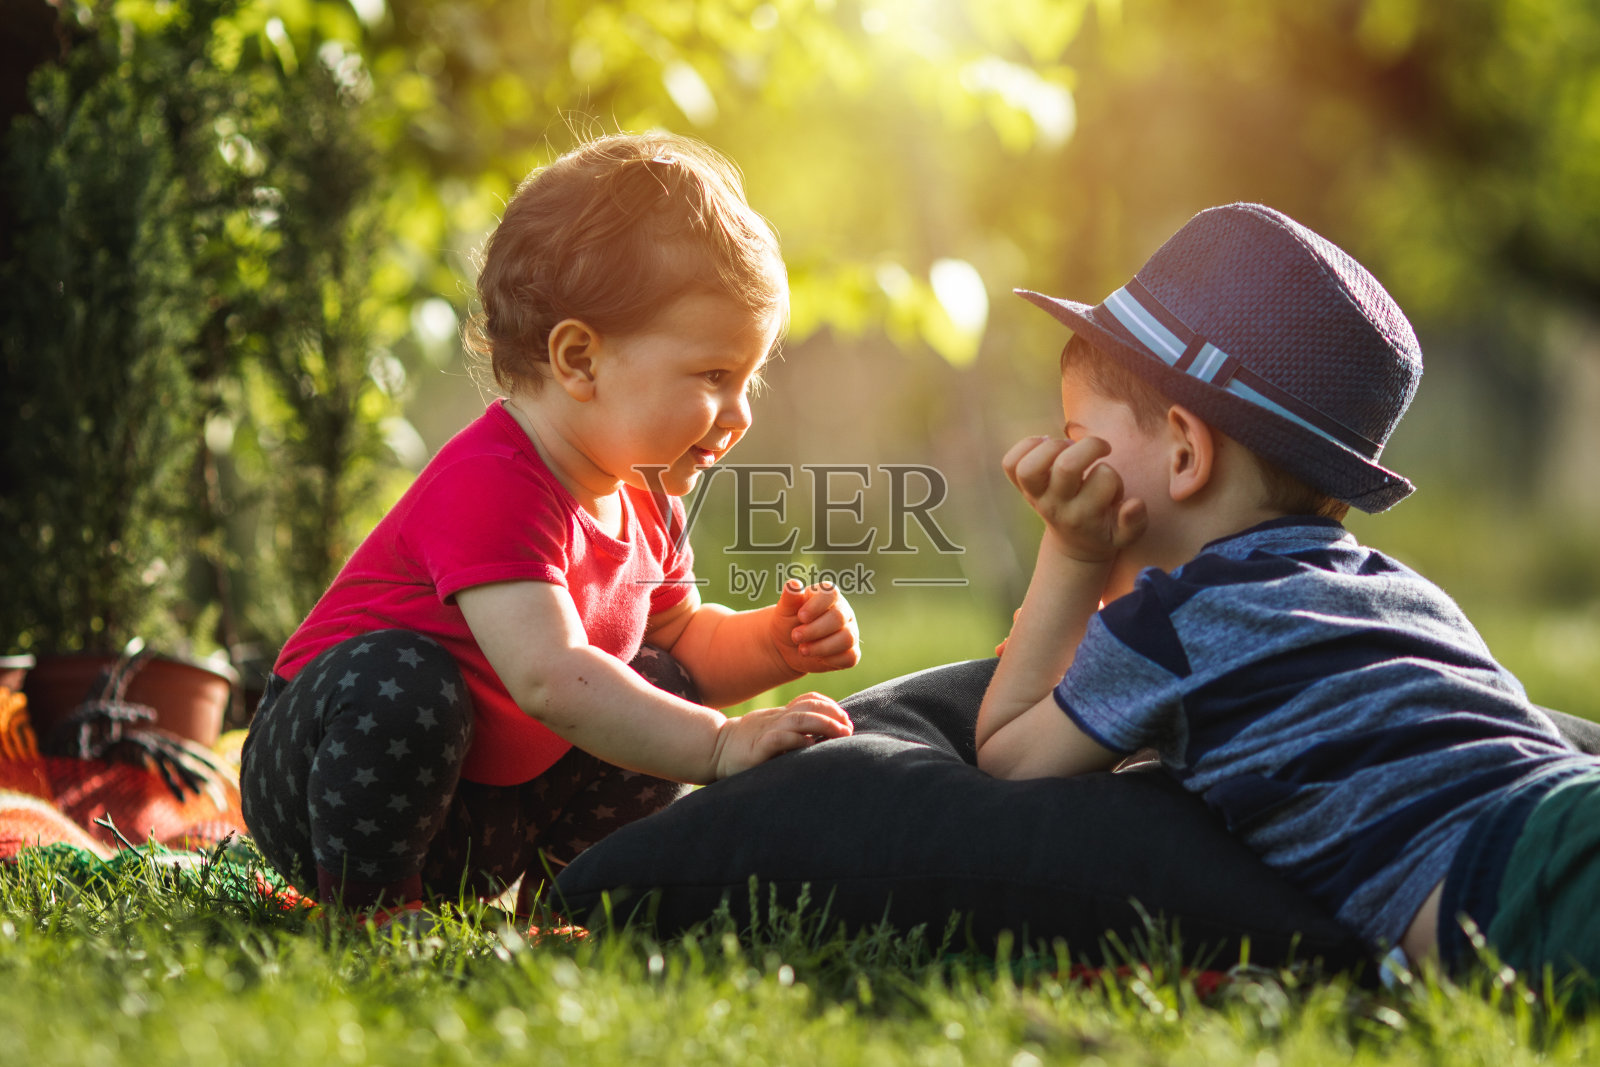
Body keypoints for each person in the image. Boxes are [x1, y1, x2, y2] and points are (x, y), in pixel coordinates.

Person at [239, 132, 857, 921]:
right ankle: (371, 906)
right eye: (714, 375)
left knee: (655, 679)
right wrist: (715, 745)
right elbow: (548, 675)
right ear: (580, 360)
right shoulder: (494, 482)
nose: (739, 414)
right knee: (406, 682)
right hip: (332, 781)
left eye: (749, 378)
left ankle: (573, 898)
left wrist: (774, 644)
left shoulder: (646, 498)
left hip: (472, 805)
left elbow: (685, 639)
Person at [976, 202, 1600, 981]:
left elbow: (1005, 759)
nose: (1065, 466)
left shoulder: (1174, 621)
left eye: (1078, 440)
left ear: (1184, 452)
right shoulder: (1402, 591)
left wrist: (1071, 550)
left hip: (1521, 883)